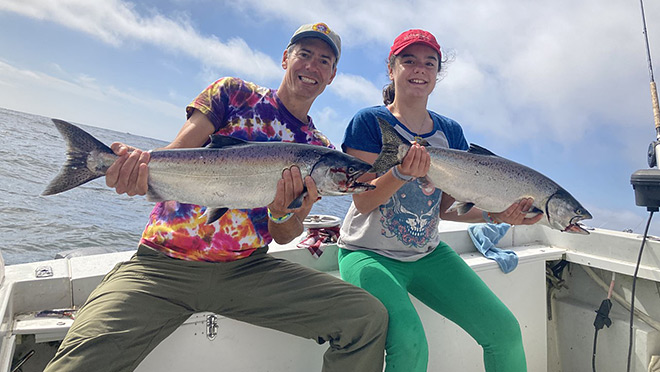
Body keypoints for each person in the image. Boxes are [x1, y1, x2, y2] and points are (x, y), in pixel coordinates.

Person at [44, 23, 388, 372]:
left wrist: (282, 213)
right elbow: (178, 152)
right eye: (305, 54)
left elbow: (286, 234)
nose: (312, 66)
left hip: (247, 271)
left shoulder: (320, 149)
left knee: (366, 318)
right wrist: (136, 172)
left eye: (324, 60)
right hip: (160, 267)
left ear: (332, 75)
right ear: (286, 58)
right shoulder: (234, 94)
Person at [336, 29, 543, 372]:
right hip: (366, 253)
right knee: (409, 342)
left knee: (504, 332)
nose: (420, 68)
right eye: (409, 60)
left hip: (428, 254)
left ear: (436, 74)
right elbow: (363, 203)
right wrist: (401, 173)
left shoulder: (451, 133)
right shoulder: (368, 122)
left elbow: (446, 207)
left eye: (429, 63)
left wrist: (498, 215)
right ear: (392, 69)